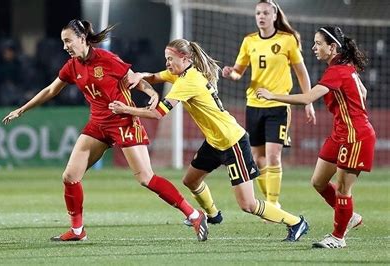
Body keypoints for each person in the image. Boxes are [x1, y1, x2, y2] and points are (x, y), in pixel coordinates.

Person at [2, 19, 208, 242]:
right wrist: (22, 109)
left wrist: (152, 93)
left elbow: (135, 79)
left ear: (82, 39)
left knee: (146, 178)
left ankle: (195, 215)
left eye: (68, 41)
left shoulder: (106, 59)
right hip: (97, 125)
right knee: (70, 177)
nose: (65, 47)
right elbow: (51, 90)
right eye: (63, 42)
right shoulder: (71, 66)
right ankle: (78, 231)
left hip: (123, 122)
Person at [109, 38, 309, 241]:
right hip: (215, 142)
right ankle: (213, 215)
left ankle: (296, 222)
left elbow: (159, 113)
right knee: (191, 180)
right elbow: (154, 77)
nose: (167, 63)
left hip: (233, 142)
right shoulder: (181, 74)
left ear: (185, 58)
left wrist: (125, 109)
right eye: (166, 59)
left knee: (248, 204)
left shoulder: (188, 81)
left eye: (170, 59)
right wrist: (139, 75)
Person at [257, 26, 375, 248]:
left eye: (318, 43)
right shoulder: (344, 67)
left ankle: (338, 237)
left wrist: (273, 96)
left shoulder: (337, 70)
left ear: (332, 47)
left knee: (342, 189)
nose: (313, 47)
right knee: (318, 181)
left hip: (355, 136)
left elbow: (307, 98)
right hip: (340, 133)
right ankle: (348, 216)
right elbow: (364, 92)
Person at [222, 0, 316, 209]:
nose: (261, 17)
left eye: (265, 13)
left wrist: (308, 101)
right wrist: (231, 73)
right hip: (254, 105)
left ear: (274, 16)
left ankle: (272, 205)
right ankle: (271, 200)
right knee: (257, 158)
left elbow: (302, 73)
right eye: (258, 13)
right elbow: (239, 72)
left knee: (273, 156)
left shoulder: (287, 40)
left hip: (278, 105)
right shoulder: (249, 41)